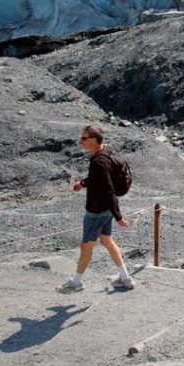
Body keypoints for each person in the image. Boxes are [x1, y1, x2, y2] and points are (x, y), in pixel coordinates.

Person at [57, 125, 134, 293]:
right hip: (105, 210)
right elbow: (97, 178)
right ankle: (125, 278)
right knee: (106, 240)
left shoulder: (98, 161)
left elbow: (108, 190)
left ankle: (76, 282)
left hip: (97, 211)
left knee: (86, 246)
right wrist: (82, 183)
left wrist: (119, 217)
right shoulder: (106, 153)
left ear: (93, 140)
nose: (81, 142)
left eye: (84, 138)